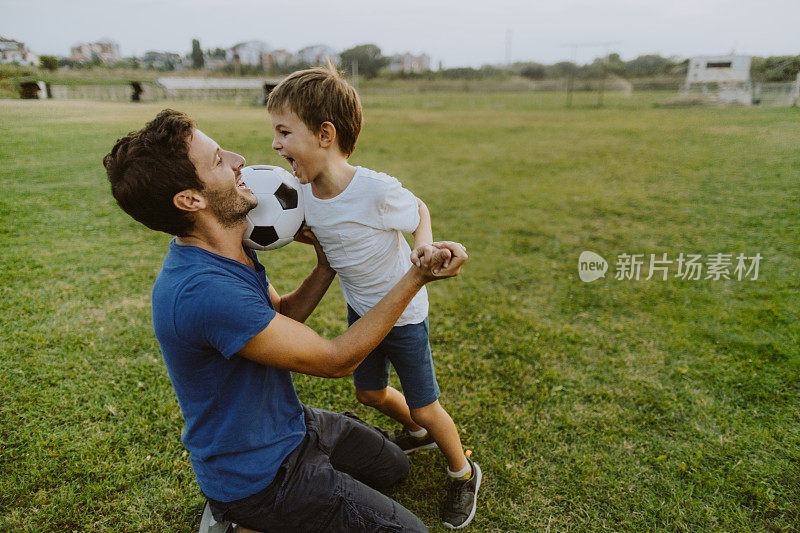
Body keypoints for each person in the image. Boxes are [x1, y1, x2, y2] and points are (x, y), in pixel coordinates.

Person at [103, 109, 468, 533]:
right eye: (220, 159)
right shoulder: (204, 292)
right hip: (261, 476)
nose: (240, 159)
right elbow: (335, 361)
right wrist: (416, 276)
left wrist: (325, 264)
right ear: (190, 200)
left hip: (290, 424)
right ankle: (241, 520)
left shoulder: (228, 245)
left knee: (392, 468)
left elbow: (278, 318)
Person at [267, 66, 480, 530]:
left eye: (284, 132)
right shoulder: (301, 194)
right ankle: (418, 433)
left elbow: (418, 207)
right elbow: (329, 235)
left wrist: (424, 243)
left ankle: (462, 471)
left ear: (325, 134)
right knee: (368, 393)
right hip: (362, 310)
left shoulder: (376, 190)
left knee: (425, 401)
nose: (275, 144)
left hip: (403, 314)